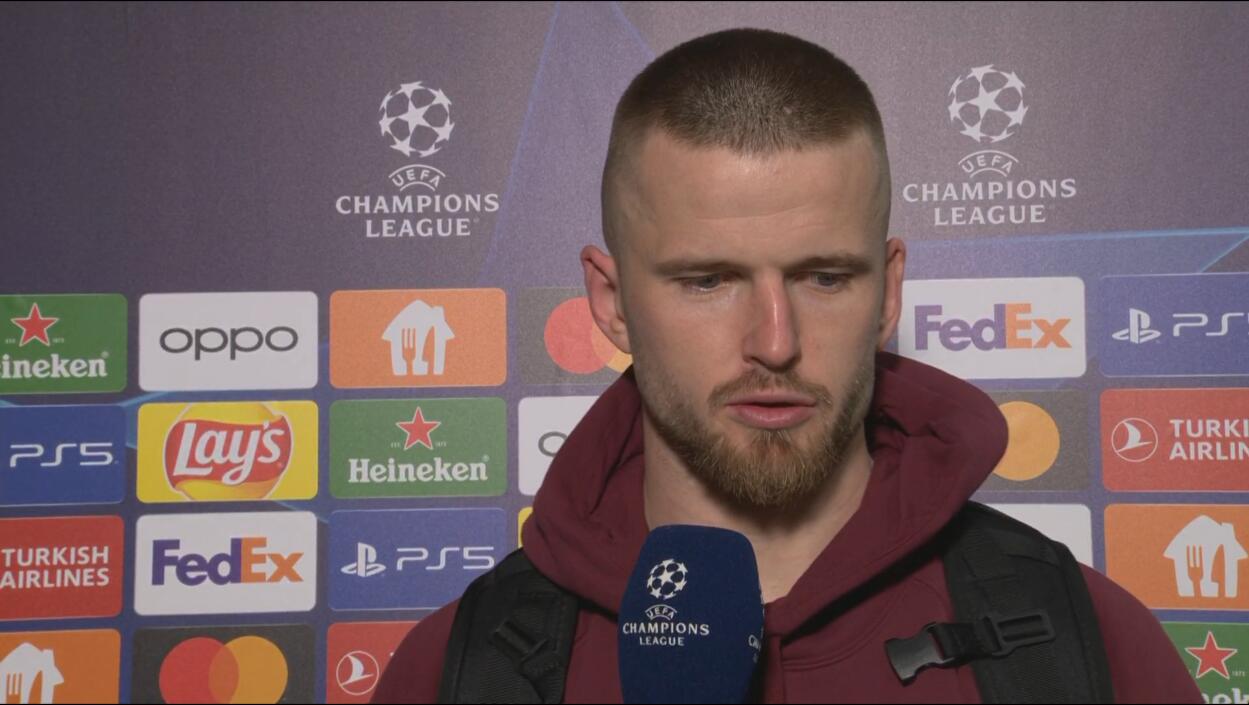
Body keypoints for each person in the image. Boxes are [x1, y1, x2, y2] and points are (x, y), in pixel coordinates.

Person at [373, 27, 1201, 704]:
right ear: (610, 300)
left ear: (888, 292)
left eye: (824, 277)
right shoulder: (461, 670)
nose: (774, 342)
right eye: (707, 280)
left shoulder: (1085, 641)